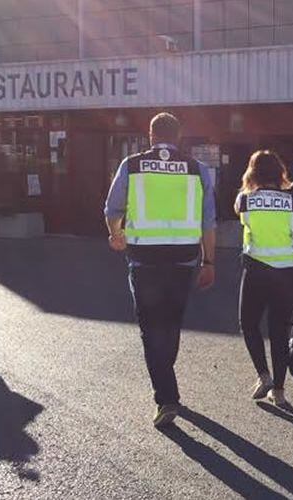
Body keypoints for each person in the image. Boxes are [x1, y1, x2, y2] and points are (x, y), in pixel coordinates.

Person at [104, 112, 216, 428]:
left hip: (145, 260)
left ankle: (167, 397)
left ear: (151, 136)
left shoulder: (132, 165)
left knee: (151, 328)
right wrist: (210, 262)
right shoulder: (198, 170)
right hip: (184, 260)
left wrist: (116, 234)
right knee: (171, 323)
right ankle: (166, 383)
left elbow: (113, 209)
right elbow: (208, 222)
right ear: (178, 137)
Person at [235, 150, 293, 407]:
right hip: (289, 273)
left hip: (257, 270)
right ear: (279, 172)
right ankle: (279, 391)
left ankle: (263, 375)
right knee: (279, 330)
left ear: (253, 172)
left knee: (248, 323)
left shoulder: (244, 200)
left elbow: (240, 214)